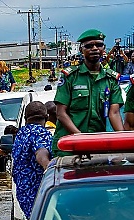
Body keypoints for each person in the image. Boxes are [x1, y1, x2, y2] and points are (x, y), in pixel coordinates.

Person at [53, 29, 124, 157]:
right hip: (69, 147)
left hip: (97, 146)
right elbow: (60, 113)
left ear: (104, 48)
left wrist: (123, 140)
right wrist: (80, 138)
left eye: (99, 45)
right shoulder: (70, 77)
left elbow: (114, 113)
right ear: (81, 50)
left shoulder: (111, 79)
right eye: (89, 46)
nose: (95, 48)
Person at [11, 101, 53, 220]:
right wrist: (48, 165)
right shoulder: (42, 134)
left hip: (23, 194)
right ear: (46, 118)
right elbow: (40, 153)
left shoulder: (21, 134)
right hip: (39, 193)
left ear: (25, 118)